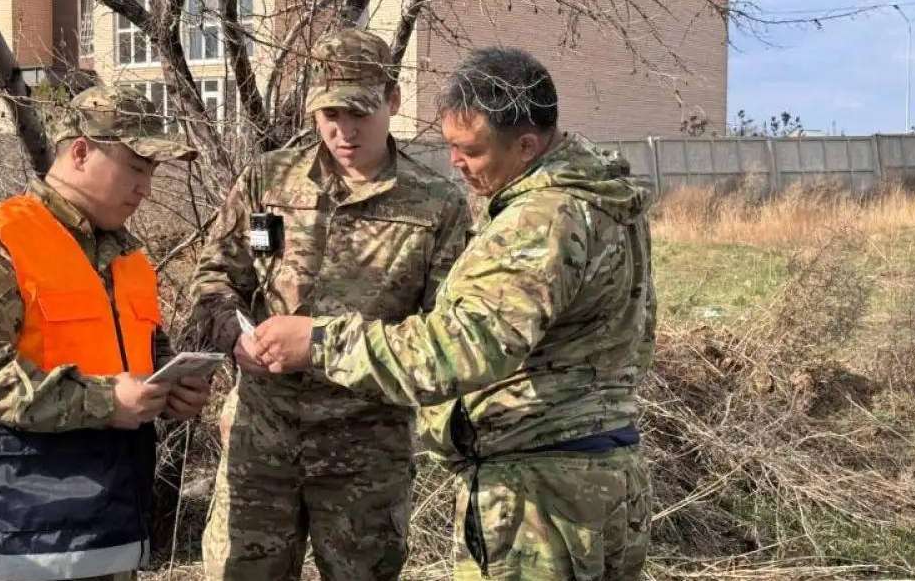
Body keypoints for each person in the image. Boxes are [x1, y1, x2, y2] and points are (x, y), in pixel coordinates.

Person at [252, 47, 656, 581]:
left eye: (471, 151)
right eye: (450, 148)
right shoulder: (603, 200)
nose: (457, 164)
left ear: (527, 146)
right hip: (601, 478)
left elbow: (459, 349)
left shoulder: (542, 220)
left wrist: (321, 342)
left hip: (540, 499)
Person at [188, 28, 471, 580]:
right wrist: (235, 335)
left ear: (391, 100)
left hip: (364, 449)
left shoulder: (436, 205)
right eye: (330, 114)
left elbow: (444, 333)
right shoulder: (268, 181)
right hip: (261, 439)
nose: (344, 131)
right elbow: (214, 276)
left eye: (360, 112)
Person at [0, 85, 212, 581]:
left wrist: (170, 390)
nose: (146, 186)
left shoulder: (125, 257)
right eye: (137, 166)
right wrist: (107, 402)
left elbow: (135, 357)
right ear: (80, 152)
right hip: (15, 540)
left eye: (152, 171)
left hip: (103, 529)